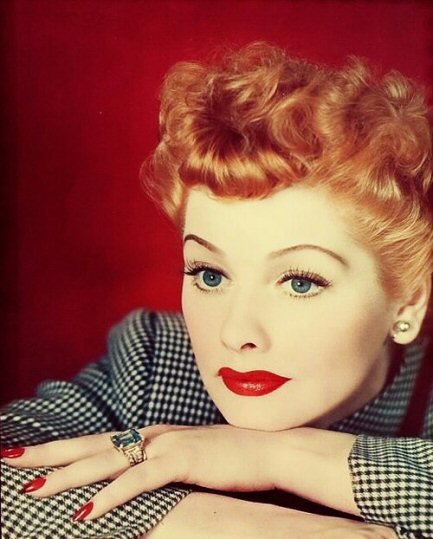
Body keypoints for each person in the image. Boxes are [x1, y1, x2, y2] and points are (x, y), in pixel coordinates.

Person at [1, 42, 432, 539]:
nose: (236, 332)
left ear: (408, 302)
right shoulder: (156, 367)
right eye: (210, 275)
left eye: (300, 282)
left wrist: (275, 457)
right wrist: (229, 525)